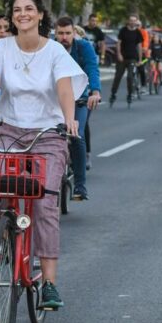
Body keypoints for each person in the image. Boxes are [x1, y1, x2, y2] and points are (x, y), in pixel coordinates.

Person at [0, 0, 87, 310]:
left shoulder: (55, 51)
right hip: (11, 130)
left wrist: (69, 120)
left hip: (48, 133)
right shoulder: (2, 47)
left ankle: (49, 284)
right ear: (12, 15)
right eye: (17, 9)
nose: (23, 14)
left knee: (44, 204)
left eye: (29, 8)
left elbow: (63, 85)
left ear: (40, 15)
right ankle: (2, 239)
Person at [55, 16, 100, 201]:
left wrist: (95, 92)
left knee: (76, 135)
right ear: (55, 34)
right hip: (55, 101)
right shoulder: (50, 48)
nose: (64, 37)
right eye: (60, 33)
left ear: (74, 33)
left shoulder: (84, 47)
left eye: (67, 33)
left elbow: (92, 68)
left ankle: (80, 187)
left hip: (80, 99)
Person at [110, 14, 144, 105]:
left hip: (133, 58)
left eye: (134, 20)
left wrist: (140, 59)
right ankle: (113, 93)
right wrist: (119, 54)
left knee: (130, 77)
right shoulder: (123, 30)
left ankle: (130, 94)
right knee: (118, 76)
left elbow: (139, 46)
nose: (132, 22)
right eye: (131, 20)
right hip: (122, 58)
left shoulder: (137, 32)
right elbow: (118, 43)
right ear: (128, 21)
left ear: (136, 22)